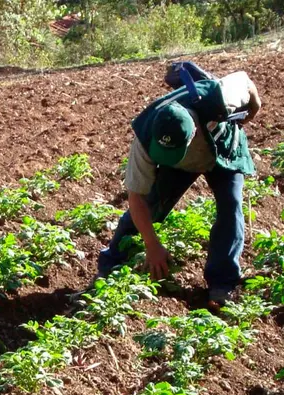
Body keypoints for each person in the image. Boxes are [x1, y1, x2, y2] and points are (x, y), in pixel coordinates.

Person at [97, 70, 262, 306]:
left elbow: (246, 81)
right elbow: (136, 198)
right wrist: (152, 245)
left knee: (231, 206)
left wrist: (253, 111)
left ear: (192, 133)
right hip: (183, 161)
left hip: (222, 148)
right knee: (151, 203)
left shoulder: (218, 96)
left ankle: (222, 283)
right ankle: (112, 265)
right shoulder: (145, 136)